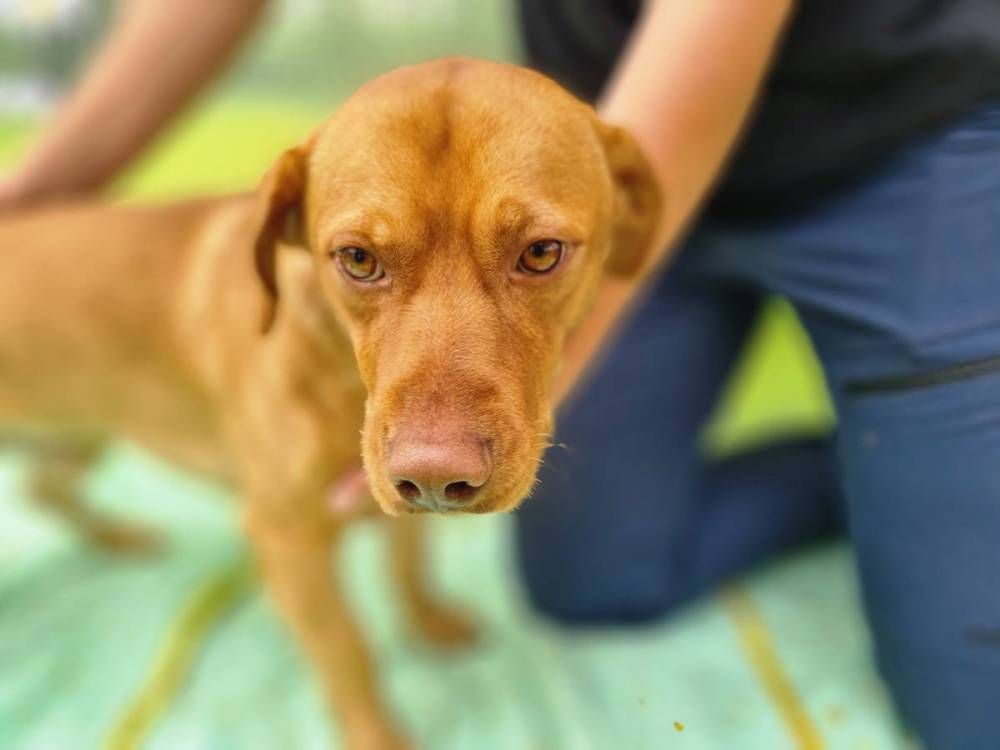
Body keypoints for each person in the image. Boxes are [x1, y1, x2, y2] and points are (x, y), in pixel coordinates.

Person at [3, 2, 999, 747]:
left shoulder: (596, 186)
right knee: (592, 575)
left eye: (533, 257)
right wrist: (31, 193)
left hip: (905, 144)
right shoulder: (280, 303)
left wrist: (553, 301)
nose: (434, 451)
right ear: (289, 239)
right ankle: (865, 470)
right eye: (363, 260)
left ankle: (885, 467)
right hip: (588, 156)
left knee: (974, 709)